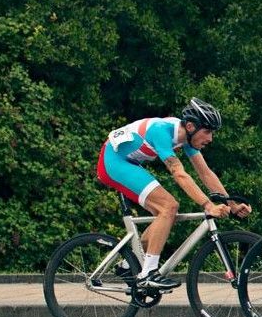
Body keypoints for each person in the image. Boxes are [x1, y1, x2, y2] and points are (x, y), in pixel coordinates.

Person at [97, 98, 252, 289]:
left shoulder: (186, 138)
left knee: (164, 214)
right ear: (190, 126)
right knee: (169, 206)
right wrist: (207, 204)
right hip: (113, 162)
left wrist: (230, 203)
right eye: (207, 131)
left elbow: (205, 173)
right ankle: (148, 273)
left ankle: (128, 265)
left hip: (129, 163)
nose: (210, 139)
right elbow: (179, 174)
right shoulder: (161, 131)